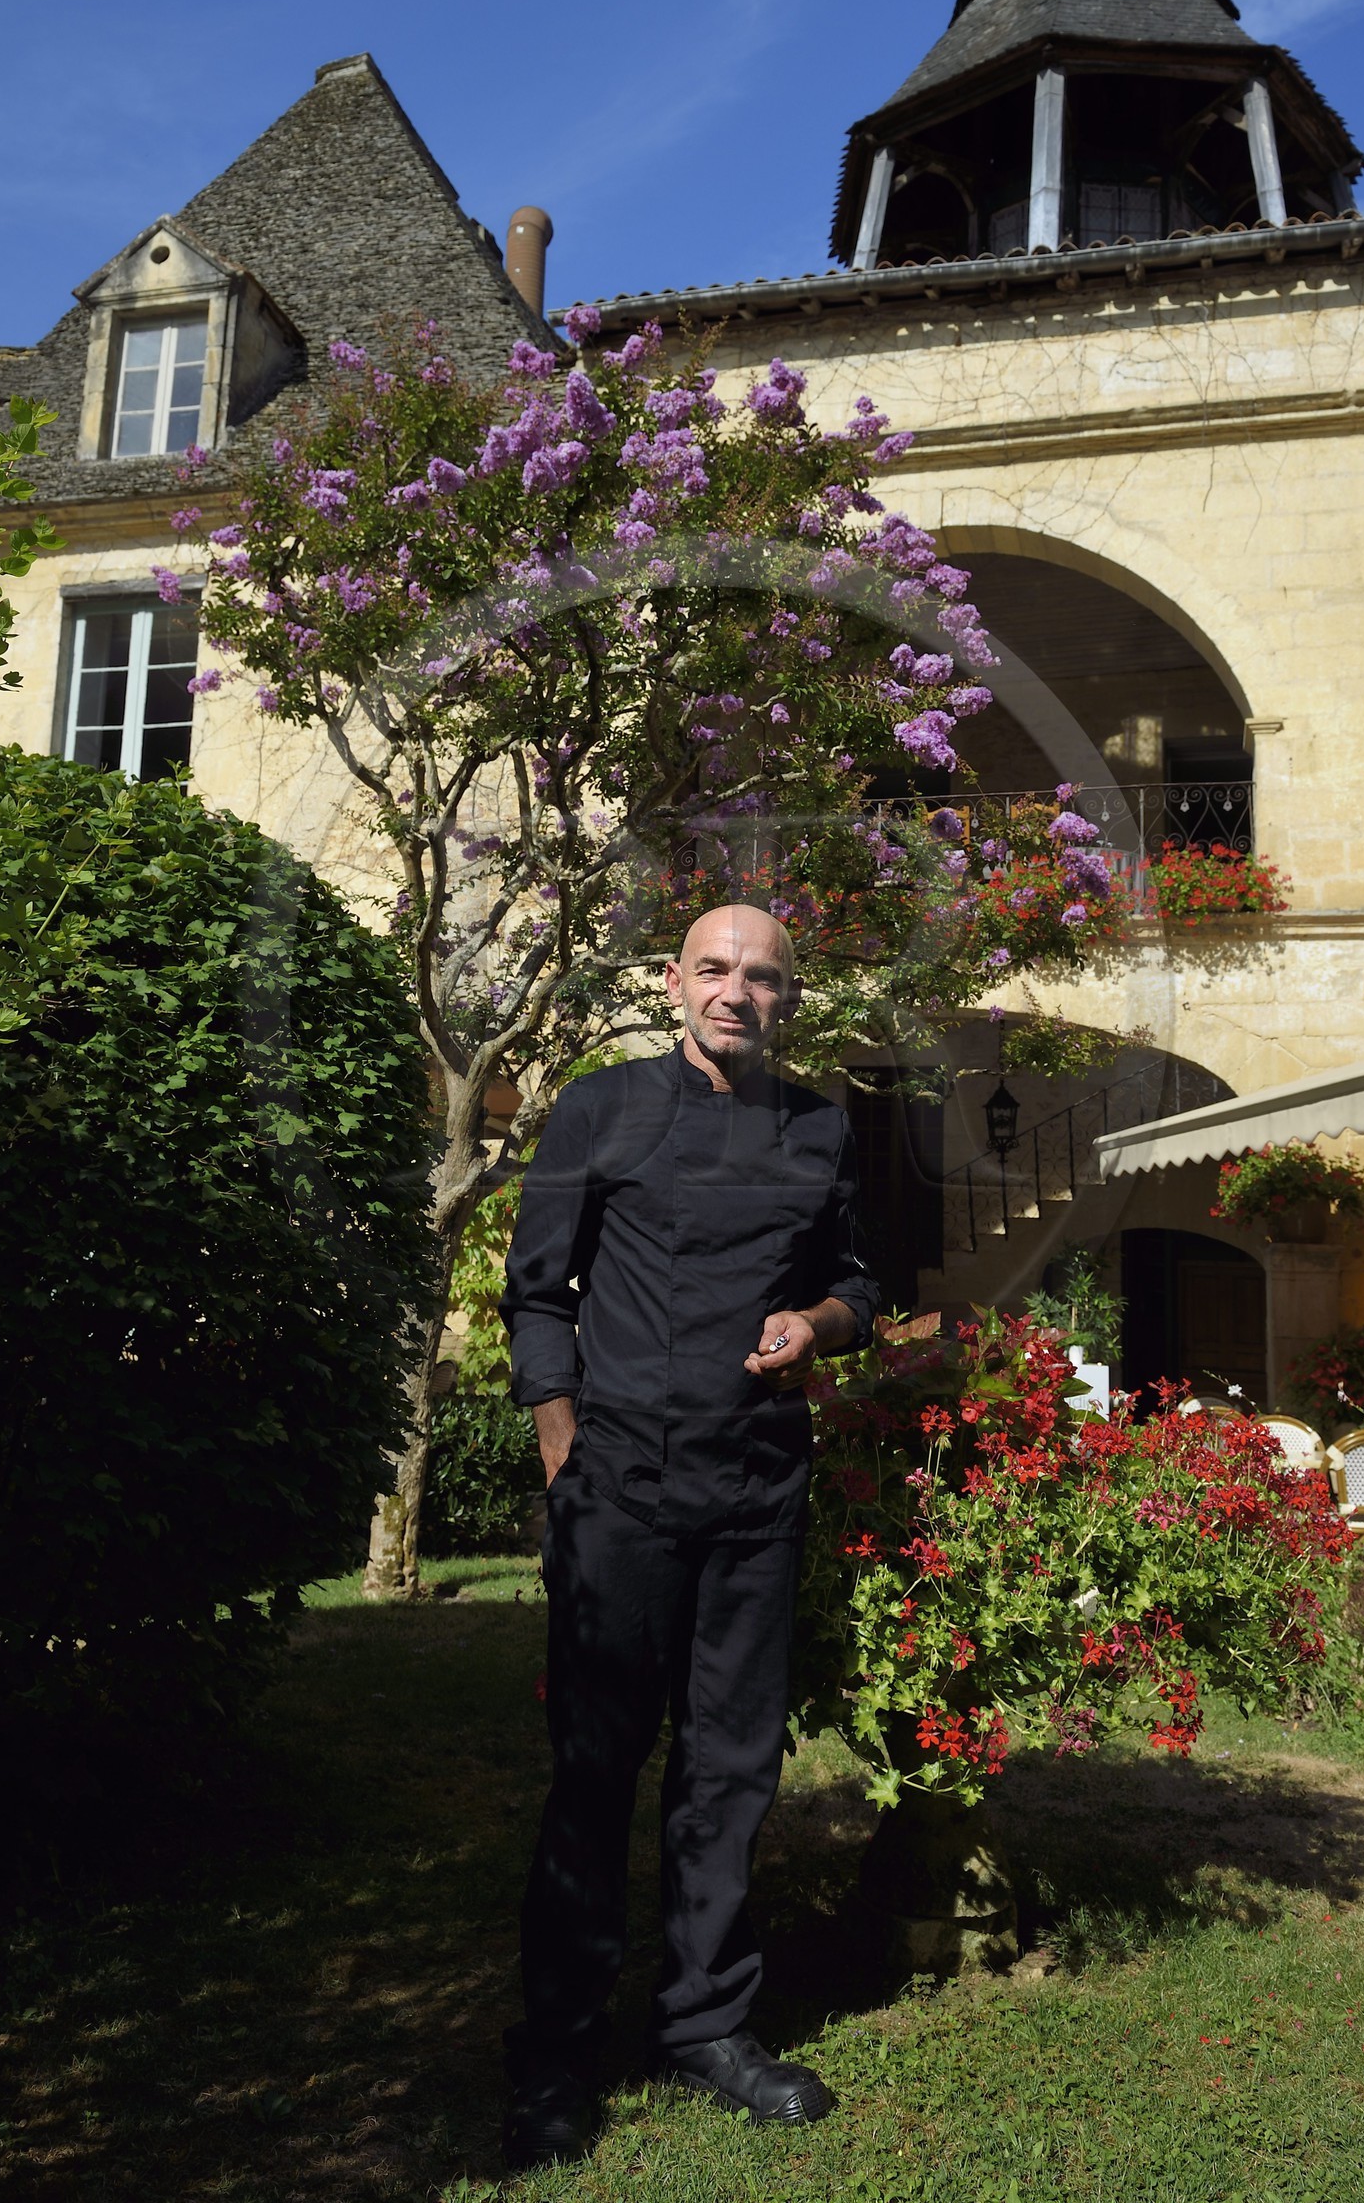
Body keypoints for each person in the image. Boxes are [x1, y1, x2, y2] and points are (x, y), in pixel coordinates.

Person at [498, 903, 880, 2169]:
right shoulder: (597, 1109)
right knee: (596, 1770)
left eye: (760, 977)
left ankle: (706, 2025)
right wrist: (563, 1450)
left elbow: (864, 1282)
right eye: (714, 970)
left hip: (756, 1494)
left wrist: (817, 1326)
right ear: (674, 985)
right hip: (618, 1493)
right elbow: (537, 1292)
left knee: (731, 1773)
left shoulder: (821, 1124)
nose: (734, 992)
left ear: (787, 1000)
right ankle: (555, 2051)